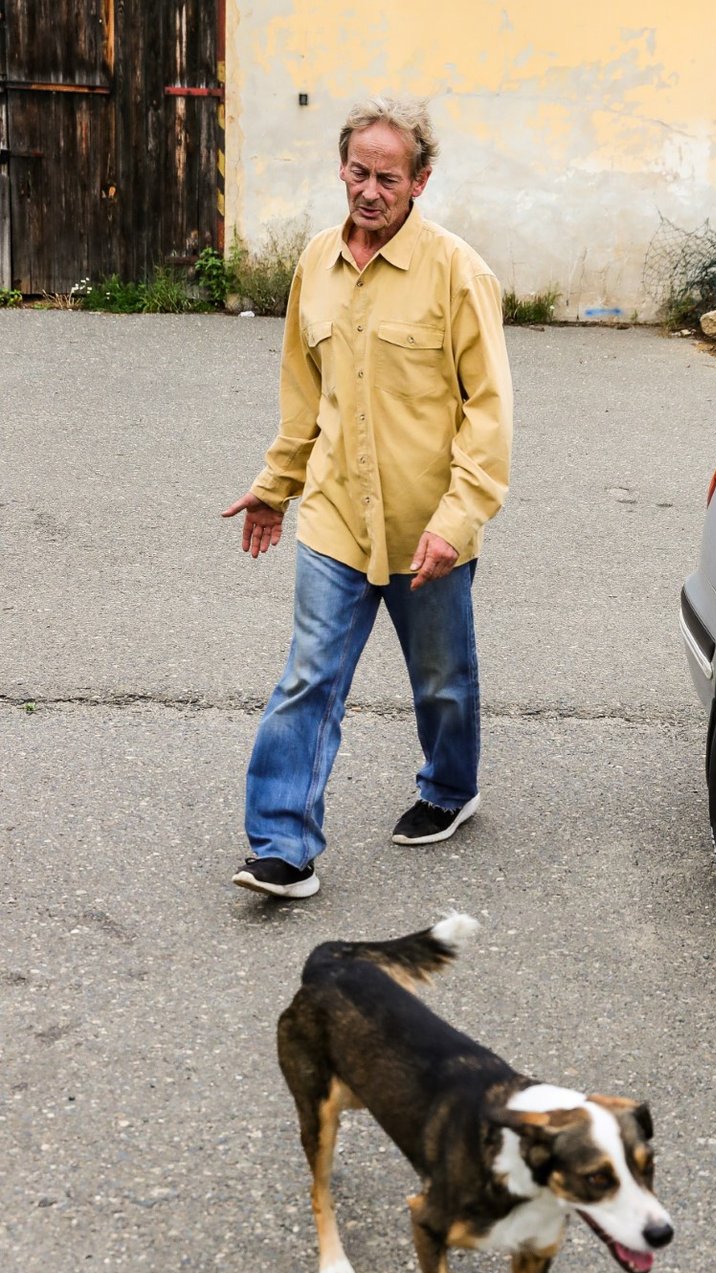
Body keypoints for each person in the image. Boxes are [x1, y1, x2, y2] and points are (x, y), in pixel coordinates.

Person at [224, 96, 513, 898]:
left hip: (429, 530)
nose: (370, 190)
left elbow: (489, 416)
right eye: (358, 172)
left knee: (443, 680)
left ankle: (450, 788)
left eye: (389, 176)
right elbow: (303, 397)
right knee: (309, 676)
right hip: (335, 521)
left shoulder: (459, 272)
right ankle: (283, 843)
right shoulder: (315, 263)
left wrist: (457, 522)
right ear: (341, 169)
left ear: (420, 181)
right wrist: (274, 490)